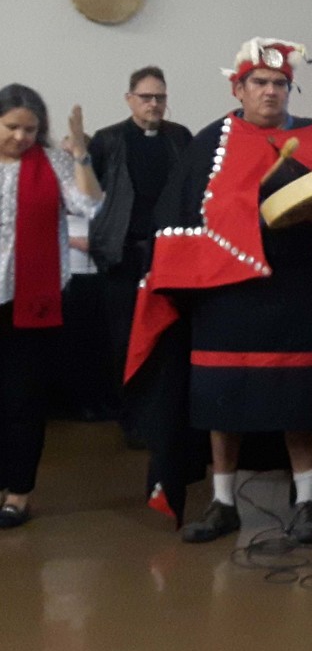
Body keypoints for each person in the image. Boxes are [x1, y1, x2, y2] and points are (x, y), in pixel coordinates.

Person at [124, 37, 312, 544]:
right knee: (222, 400)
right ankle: (223, 503)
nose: (270, 91)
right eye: (259, 82)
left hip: (299, 291)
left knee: (301, 401)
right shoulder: (209, 144)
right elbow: (179, 218)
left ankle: (307, 500)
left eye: (279, 83)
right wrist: (246, 221)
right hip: (226, 294)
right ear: (238, 88)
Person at [0, 84, 103, 528]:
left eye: (30, 129)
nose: (21, 137)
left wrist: (80, 155)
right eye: (12, 127)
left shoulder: (52, 162)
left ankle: (18, 493)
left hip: (30, 297)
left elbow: (90, 206)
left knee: (22, 400)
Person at [87, 67, 192, 448]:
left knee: (168, 337)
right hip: (124, 255)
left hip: (169, 256)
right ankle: (131, 418)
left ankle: (165, 417)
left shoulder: (180, 138)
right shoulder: (108, 140)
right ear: (129, 99)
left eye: (160, 97)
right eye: (146, 97)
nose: (154, 104)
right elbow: (90, 196)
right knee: (125, 339)